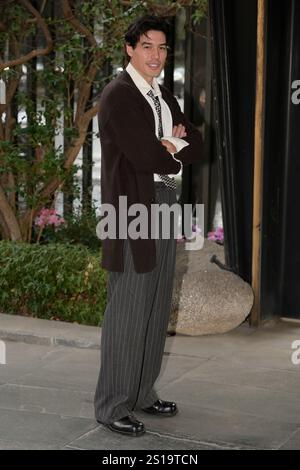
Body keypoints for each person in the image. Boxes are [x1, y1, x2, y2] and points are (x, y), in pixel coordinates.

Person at [94, 14, 202, 437]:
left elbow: (199, 143)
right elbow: (144, 156)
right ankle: (112, 404)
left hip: (163, 202)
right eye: (147, 47)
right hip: (129, 207)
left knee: (155, 305)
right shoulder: (119, 95)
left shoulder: (162, 95)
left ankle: (141, 393)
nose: (156, 55)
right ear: (130, 49)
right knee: (127, 307)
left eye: (161, 48)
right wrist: (173, 145)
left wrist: (171, 145)